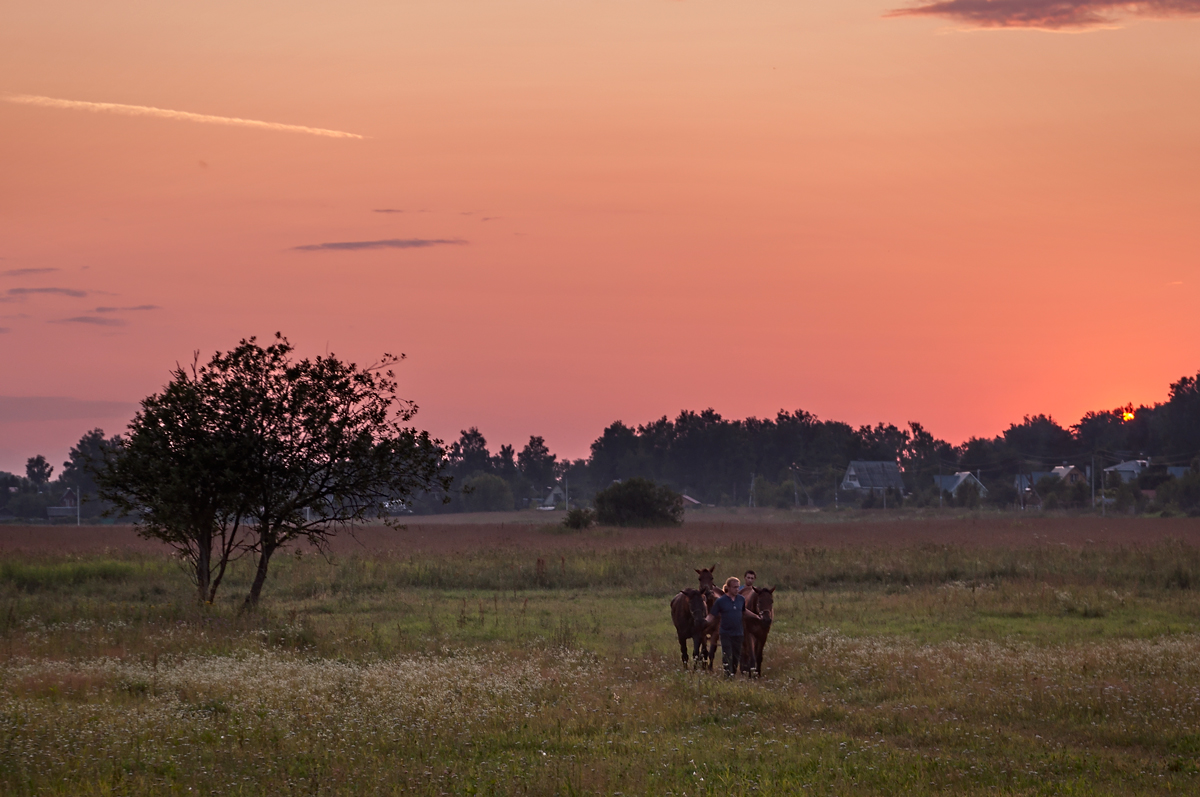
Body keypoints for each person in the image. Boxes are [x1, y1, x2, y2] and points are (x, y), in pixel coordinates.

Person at [706, 576, 760, 677]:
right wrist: (705, 621)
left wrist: (756, 617)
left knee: (736, 657)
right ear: (728, 588)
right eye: (735, 587)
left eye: (738, 587)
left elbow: (744, 611)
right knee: (727, 655)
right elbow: (712, 615)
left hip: (738, 633)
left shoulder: (741, 599)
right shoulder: (720, 601)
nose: (737, 589)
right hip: (725, 633)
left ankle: (733, 672)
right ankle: (728, 675)